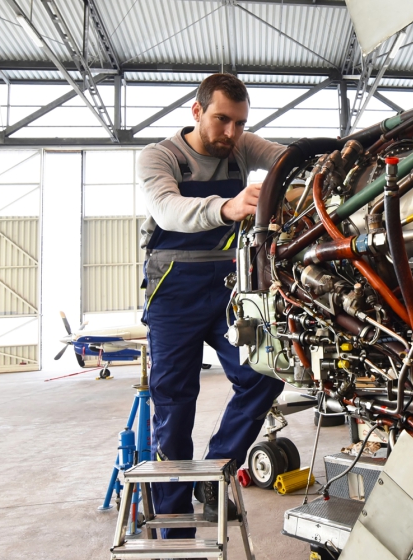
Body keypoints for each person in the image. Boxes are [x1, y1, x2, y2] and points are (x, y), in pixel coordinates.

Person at [137, 73, 284, 538]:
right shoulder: (160, 156)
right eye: (221, 120)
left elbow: (290, 159)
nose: (231, 133)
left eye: (240, 123)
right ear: (197, 112)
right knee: (175, 407)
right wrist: (229, 207)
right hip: (172, 290)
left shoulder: (240, 145)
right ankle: (173, 523)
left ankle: (215, 471)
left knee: (265, 374)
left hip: (227, 287)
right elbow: (168, 211)